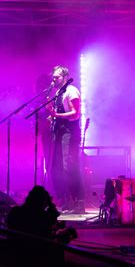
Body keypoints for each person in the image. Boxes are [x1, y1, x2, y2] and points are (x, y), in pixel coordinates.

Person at [47, 66, 85, 214]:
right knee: (59, 167)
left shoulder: (71, 91)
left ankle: (79, 201)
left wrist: (56, 115)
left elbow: (75, 114)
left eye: (57, 77)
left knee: (69, 166)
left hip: (70, 133)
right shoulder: (58, 93)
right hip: (60, 132)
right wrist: (52, 117)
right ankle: (68, 200)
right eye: (53, 77)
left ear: (65, 76)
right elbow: (59, 113)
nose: (54, 79)